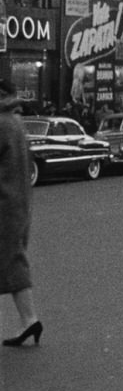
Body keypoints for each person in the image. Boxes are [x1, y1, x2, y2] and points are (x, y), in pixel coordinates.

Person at [0, 79, 42, 347]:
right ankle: (29, 320)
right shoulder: (16, 123)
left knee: (11, 261)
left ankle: (30, 319)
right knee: (13, 260)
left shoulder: (1, 124)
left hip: (3, 202)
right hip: (18, 201)